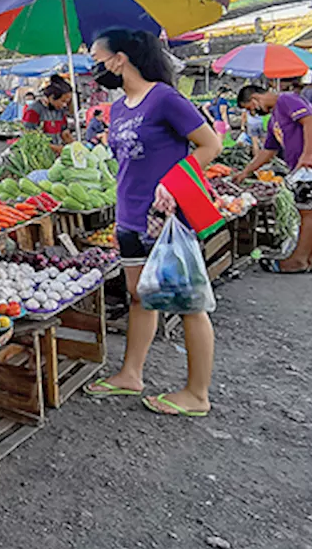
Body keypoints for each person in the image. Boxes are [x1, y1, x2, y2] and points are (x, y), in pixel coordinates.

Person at [84, 28, 220, 418]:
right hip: (128, 215)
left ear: (120, 58)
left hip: (165, 217)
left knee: (188, 302)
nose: (94, 66)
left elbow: (211, 145)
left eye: (97, 57)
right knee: (139, 295)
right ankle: (131, 374)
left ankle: (197, 394)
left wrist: (174, 183)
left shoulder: (164, 98)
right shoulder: (121, 106)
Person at [232, 84, 312, 273]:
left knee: (308, 212)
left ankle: (298, 260)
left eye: (250, 109)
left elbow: (311, 122)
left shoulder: (286, 100)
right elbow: (268, 150)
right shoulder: (274, 119)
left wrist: (308, 154)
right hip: (309, 167)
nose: (253, 113)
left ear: (255, 99)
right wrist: (246, 171)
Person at [22, 76, 74, 144]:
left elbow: (64, 132)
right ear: (51, 97)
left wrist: (74, 145)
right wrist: (55, 148)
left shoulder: (60, 111)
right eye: (63, 101)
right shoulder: (33, 111)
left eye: (67, 102)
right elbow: (30, 137)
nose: (65, 105)